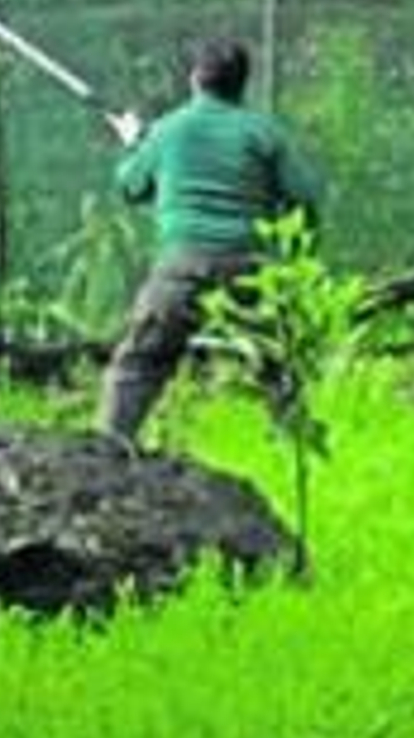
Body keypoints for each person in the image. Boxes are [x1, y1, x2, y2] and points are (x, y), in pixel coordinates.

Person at [99, 37, 322, 447]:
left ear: (195, 79)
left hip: (181, 269)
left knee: (138, 365)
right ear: (242, 83)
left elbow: (131, 186)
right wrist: (296, 259)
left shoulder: (168, 130)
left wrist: (134, 142)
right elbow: (305, 196)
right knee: (276, 367)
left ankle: (108, 451)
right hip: (250, 269)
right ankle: (300, 447)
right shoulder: (263, 132)